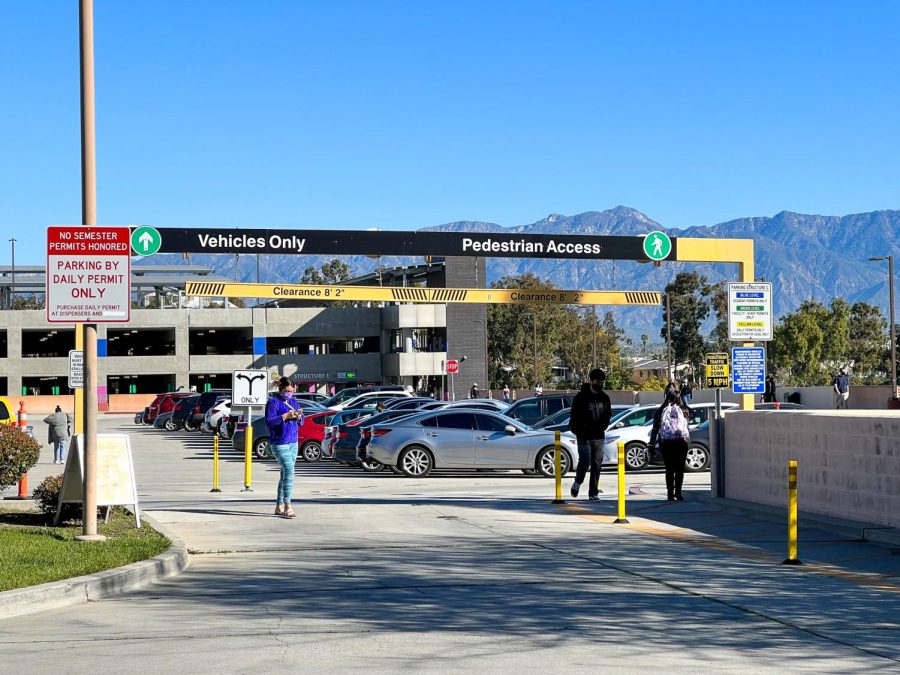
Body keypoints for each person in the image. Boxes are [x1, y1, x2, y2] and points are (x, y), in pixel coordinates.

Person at [568, 368, 612, 501]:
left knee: (597, 463)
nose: (600, 384)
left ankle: (593, 492)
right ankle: (577, 482)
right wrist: (580, 431)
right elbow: (573, 418)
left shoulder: (604, 398)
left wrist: (603, 426)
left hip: (599, 436)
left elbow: (608, 415)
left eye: (602, 382)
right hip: (584, 436)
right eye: (597, 382)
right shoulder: (580, 398)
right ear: (591, 381)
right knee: (585, 461)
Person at [265, 377, 304, 519]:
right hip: (279, 442)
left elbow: (302, 421)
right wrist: (284, 416)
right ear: (281, 390)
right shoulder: (273, 402)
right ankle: (288, 505)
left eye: (292, 391)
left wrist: (299, 416)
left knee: (285, 474)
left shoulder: (293, 402)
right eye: (287, 391)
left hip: (293, 441)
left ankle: (278, 505)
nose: (290, 394)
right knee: (289, 470)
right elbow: (269, 422)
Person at [649, 390, 692, 501]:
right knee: (680, 469)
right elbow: (687, 427)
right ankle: (678, 493)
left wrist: (652, 445)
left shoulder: (661, 411)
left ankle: (670, 493)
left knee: (669, 469)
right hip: (681, 443)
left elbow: (655, 429)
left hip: (666, 443)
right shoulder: (684, 410)